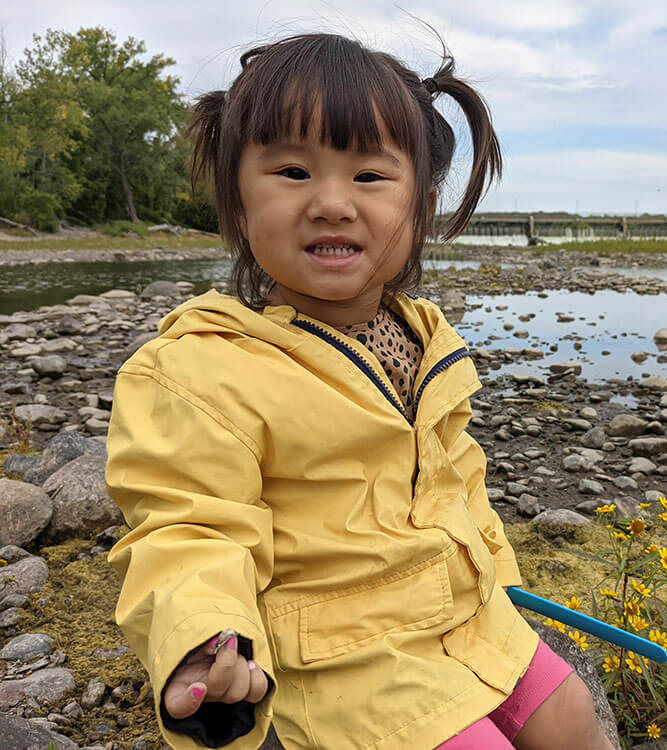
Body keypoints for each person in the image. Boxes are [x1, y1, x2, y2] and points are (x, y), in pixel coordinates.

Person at [105, 32, 615, 750]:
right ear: (239, 204)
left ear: (421, 207)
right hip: (341, 653)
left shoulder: (424, 336)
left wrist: (497, 578)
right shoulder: (201, 370)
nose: (332, 203)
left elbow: (459, 480)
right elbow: (189, 530)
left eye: (370, 177)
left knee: (570, 716)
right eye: (291, 171)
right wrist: (205, 641)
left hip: (464, 615)